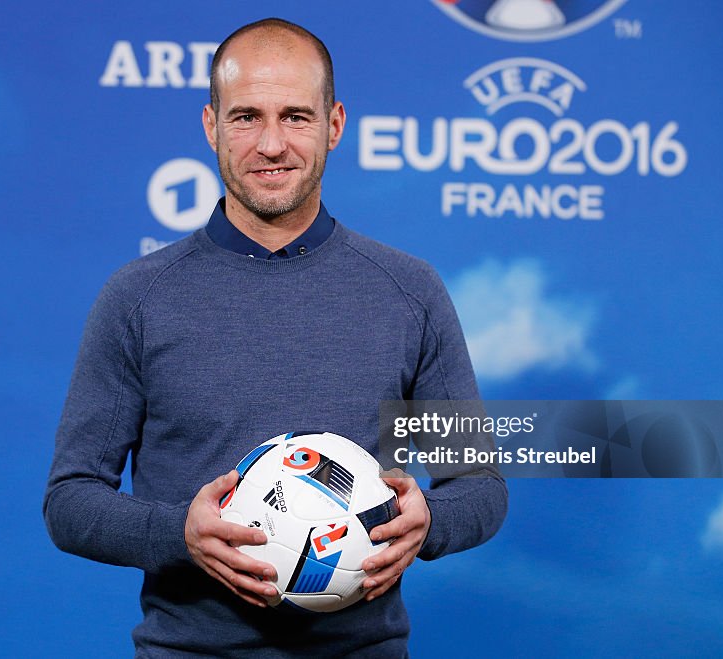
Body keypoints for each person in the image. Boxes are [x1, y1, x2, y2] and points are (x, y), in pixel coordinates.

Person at [44, 17, 507, 657]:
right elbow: (70, 502)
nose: (271, 144)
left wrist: (429, 522)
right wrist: (181, 534)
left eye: (295, 116)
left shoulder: (409, 292)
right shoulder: (139, 297)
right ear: (211, 126)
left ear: (334, 124)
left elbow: (479, 486)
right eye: (245, 118)